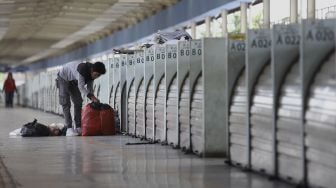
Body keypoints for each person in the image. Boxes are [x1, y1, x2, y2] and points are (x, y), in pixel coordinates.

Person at [57, 61, 106, 136]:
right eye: (96, 75)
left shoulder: (92, 74)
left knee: (78, 102)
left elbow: (90, 88)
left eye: (98, 76)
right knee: (65, 102)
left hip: (73, 81)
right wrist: (91, 97)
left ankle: (78, 127)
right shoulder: (82, 69)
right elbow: (81, 87)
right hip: (63, 77)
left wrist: (93, 98)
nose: (96, 77)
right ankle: (69, 128)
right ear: (92, 71)